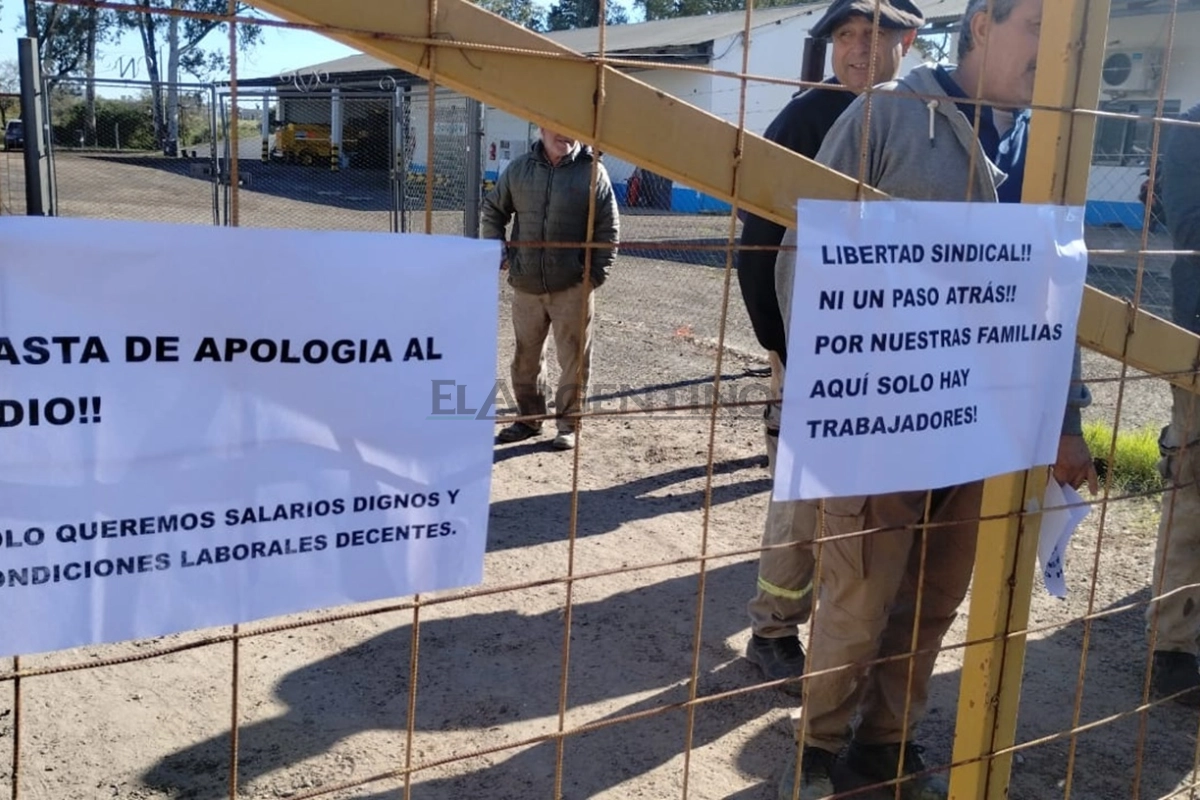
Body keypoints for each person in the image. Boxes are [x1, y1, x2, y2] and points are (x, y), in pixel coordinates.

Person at [774, 1, 1097, 797]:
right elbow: (803, 259)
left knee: (934, 600)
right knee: (858, 600)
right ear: (982, 24)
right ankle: (816, 751)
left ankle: (885, 747)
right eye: (1038, 28)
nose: (1054, 51)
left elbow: (1057, 294)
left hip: (986, 427)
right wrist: (838, 392)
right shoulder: (886, 117)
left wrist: (1065, 419)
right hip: (884, 420)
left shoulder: (1048, 148)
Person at [740, 0, 925, 694]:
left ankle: (854, 630)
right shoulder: (808, 119)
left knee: (874, 497)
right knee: (804, 493)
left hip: (898, 353)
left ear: (908, 40)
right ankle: (773, 629)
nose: (856, 48)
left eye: (872, 33)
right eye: (844, 36)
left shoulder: (925, 118)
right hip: (813, 347)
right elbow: (757, 245)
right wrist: (782, 348)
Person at [482, 127, 620, 451]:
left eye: (574, 129)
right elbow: (493, 210)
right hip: (527, 284)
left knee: (574, 360)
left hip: (572, 287)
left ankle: (569, 425)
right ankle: (529, 419)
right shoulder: (520, 169)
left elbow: (608, 228)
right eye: (560, 127)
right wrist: (498, 249)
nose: (567, 135)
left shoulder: (592, 173)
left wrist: (593, 277)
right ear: (542, 127)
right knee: (525, 358)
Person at [1146, 100, 1200, 706]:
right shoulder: (1193, 127)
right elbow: (1190, 227)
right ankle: (1174, 647)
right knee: (1191, 490)